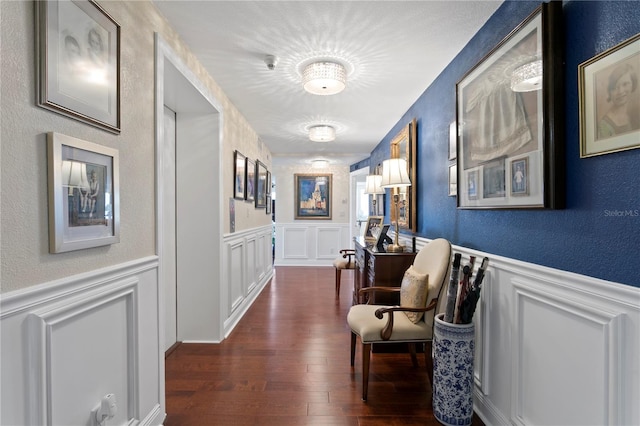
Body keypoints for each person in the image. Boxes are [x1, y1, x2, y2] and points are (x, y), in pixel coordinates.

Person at [597, 62, 639, 139]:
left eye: (625, 84)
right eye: (615, 87)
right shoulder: (604, 125)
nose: (620, 91)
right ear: (610, 92)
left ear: (633, 85)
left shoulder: (634, 115)